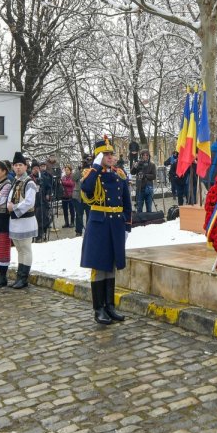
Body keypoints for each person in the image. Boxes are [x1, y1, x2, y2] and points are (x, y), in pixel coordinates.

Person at [79, 137, 132, 324]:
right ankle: (98, 308)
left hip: (116, 223)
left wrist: (127, 225)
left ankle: (110, 306)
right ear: (98, 156)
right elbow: (85, 188)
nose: (110, 157)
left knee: (111, 266)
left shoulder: (119, 175)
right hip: (99, 224)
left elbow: (127, 202)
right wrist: (95, 167)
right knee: (99, 267)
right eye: (105, 154)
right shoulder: (91, 174)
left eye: (111, 154)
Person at [6, 152, 38, 289]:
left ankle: (24, 278)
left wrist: (14, 207)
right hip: (15, 221)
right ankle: (20, 276)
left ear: (25, 167)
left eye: (20, 165)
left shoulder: (29, 182)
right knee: (19, 249)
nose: (18, 168)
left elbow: (29, 202)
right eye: (16, 165)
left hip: (26, 220)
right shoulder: (15, 181)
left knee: (25, 248)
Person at [132, 150, 157, 215]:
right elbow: (132, 172)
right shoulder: (138, 163)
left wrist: (145, 176)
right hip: (140, 188)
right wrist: (135, 167)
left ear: (149, 156)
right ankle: (140, 222)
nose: (145, 157)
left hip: (149, 188)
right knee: (139, 208)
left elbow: (154, 176)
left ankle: (149, 222)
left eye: (147, 155)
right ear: (141, 156)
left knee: (149, 208)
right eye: (143, 155)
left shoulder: (152, 165)